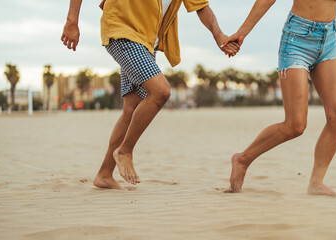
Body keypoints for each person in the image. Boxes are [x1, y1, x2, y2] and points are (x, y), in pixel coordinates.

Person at [61, 0, 240, 190]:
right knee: (161, 91)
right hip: (122, 30)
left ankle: (104, 174)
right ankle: (125, 151)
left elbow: (201, 6)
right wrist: (72, 21)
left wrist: (219, 35)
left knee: (132, 109)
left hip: (147, 42)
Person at [222, 0, 336, 196]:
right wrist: (242, 32)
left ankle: (316, 183)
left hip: (328, 40)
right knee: (295, 125)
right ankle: (242, 160)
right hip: (296, 40)